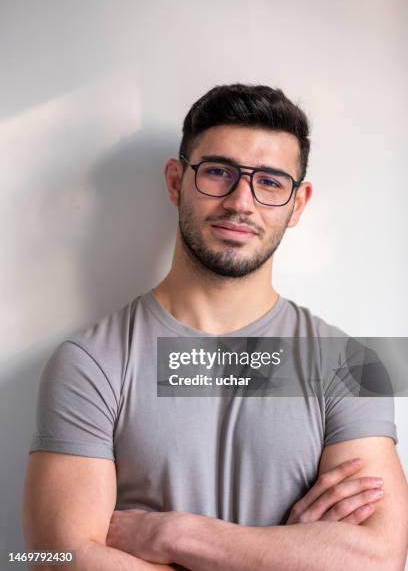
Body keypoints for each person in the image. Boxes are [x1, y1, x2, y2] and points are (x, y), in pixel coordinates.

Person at [23, 84, 408, 570]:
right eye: (219, 172)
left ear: (298, 204)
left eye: (269, 182)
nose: (241, 202)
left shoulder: (348, 365)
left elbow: (378, 561)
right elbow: (56, 558)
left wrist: (178, 535)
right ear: (175, 181)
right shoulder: (92, 362)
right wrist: (287, 555)